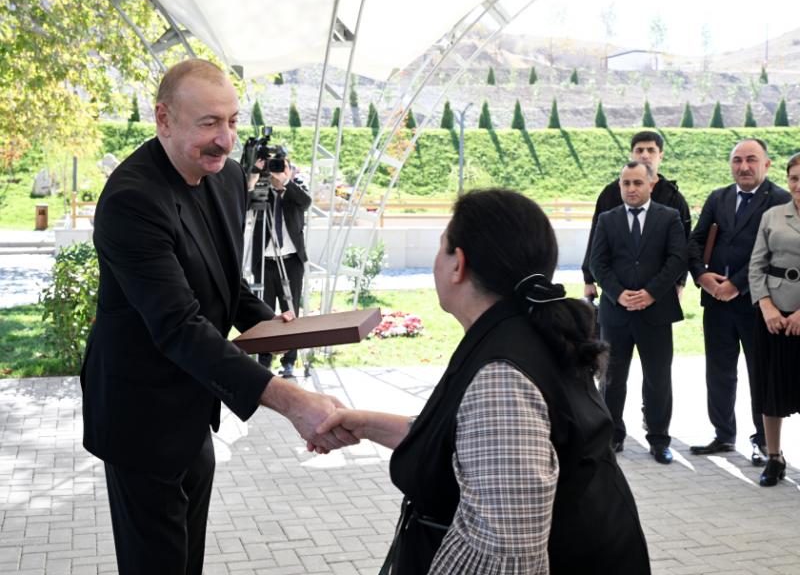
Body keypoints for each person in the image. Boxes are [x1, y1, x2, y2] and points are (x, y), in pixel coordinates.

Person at [80, 59, 354, 575]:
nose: (226, 140)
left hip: (191, 408)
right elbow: (178, 324)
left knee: (188, 559)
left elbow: (224, 280)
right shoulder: (132, 199)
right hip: (138, 416)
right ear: (163, 118)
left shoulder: (225, 178)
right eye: (208, 123)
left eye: (231, 121)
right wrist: (290, 400)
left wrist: (267, 318)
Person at [317, 189, 650, 574]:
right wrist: (364, 424)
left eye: (441, 249)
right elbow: (472, 445)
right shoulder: (527, 334)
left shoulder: (503, 377)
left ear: (458, 263)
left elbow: (507, 552)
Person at [688, 138, 791, 465]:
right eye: (737, 160)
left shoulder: (780, 201)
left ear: (766, 164)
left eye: (751, 160)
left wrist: (737, 284)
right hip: (716, 302)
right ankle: (722, 434)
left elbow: (774, 252)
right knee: (718, 371)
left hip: (758, 304)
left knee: (759, 373)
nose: (743, 167)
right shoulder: (718, 197)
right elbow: (696, 240)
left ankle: (764, 441)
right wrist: (703, 276)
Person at [590, 161, 687, 464]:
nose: (631, 189)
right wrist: (619, 294)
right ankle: (612, 436)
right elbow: (597, 262)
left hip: (655, 313)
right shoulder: (607, 219)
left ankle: (659, 440)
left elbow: (677, 259)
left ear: (650, 185)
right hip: (616, 315)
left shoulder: (669, 217)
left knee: (658, 378)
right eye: (626, 184)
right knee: (612, 379)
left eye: (637, 183)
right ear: (620, 186)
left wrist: (650, 293)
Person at [582, 130, 691, 301]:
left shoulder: (673, 197)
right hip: (616, 286)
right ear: (631, 155)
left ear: (660, 155)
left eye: (651, 150)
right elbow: (595, 237)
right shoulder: (611, 193)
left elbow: (683, 245)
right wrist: (588, 278)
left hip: (659, 289)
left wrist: (680, 282)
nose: (645, 155)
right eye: (639, 150)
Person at [748, 152, 800, 486]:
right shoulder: (772, 215)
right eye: (794, 178)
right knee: (770, 389)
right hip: (773, 317)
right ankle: (775, 457)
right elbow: (757, 264)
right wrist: (766, 306)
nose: (798, 184)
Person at [250, 162, 311, 377]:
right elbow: (246, 203)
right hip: (265, 262)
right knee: (264, 312)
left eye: (282, 167)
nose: (277, 170)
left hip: (291, 262)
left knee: (290, 312)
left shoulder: (296, 189)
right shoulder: (262, 191)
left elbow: (306, 202)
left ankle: (289, 361)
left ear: (289, 170)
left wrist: (285, 181)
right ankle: (263, 360)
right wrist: (257, 174)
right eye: (274, 167)